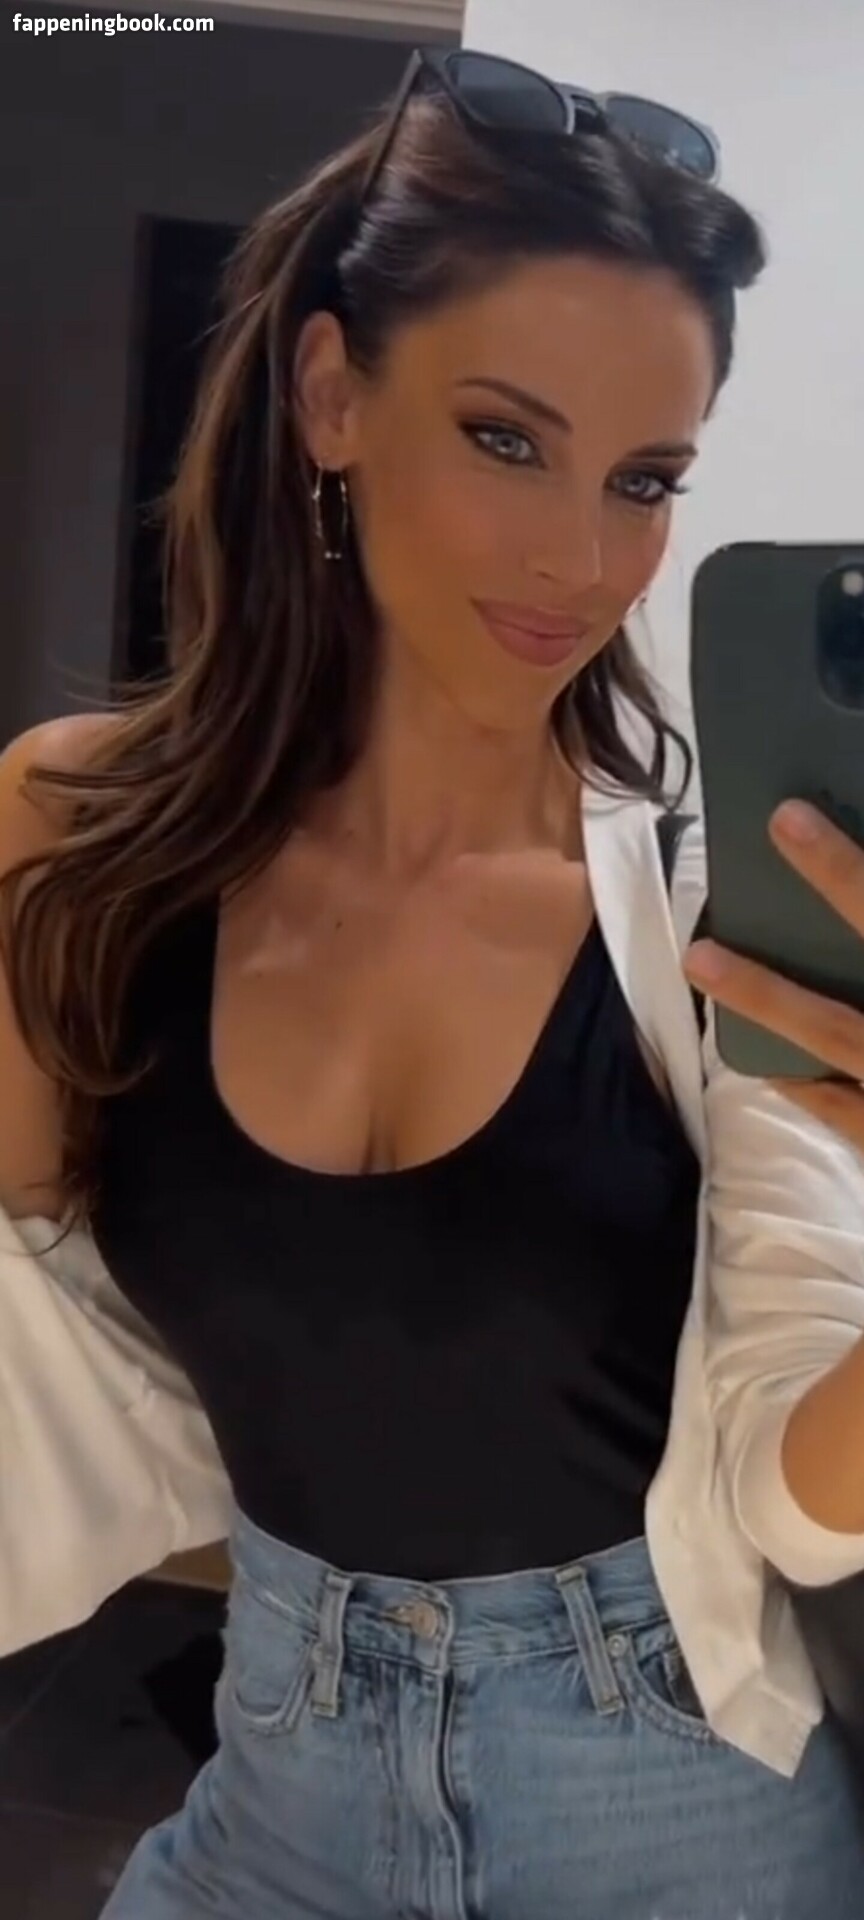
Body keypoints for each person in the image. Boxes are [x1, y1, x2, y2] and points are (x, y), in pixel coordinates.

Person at [1, 45, 864, 1920]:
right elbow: (24, 1334)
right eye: (506, 440)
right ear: (332, 394)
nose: (584, 557)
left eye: (645, 479)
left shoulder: (703, 909)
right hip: (275, 1779)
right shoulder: (76, 840)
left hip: (675, 1802)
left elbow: (796, 1495)